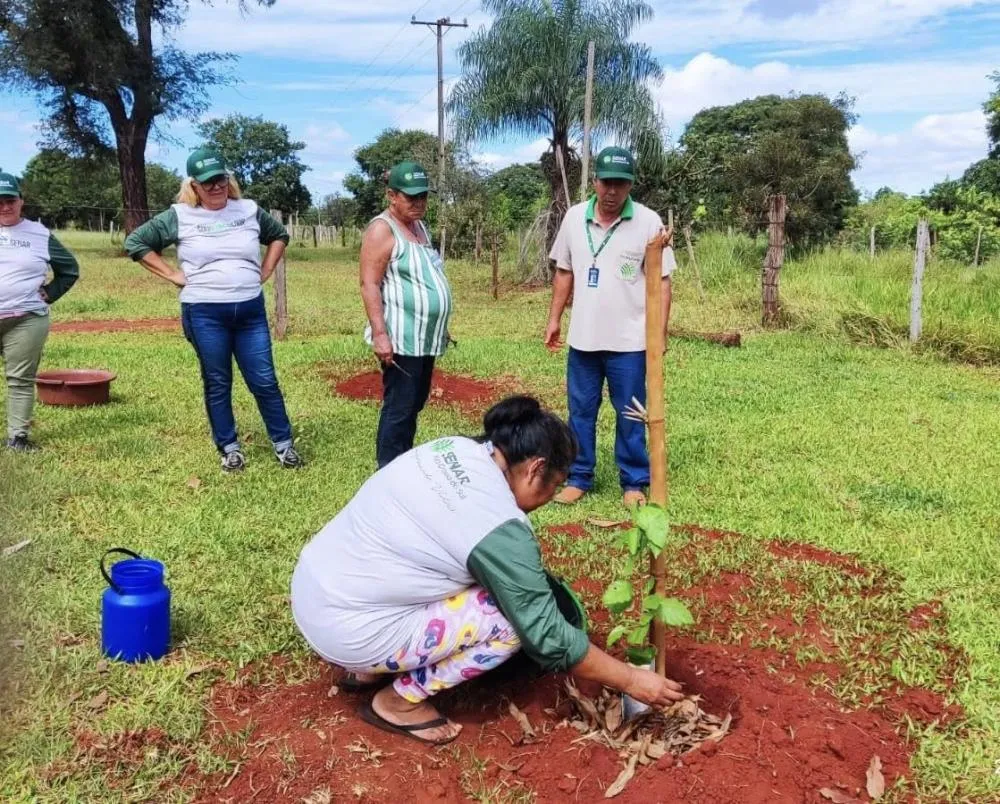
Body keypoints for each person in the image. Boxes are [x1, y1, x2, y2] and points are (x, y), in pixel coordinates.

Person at [290, 396, 684, 745]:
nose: (549, 499)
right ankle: (397, 702)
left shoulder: (456, 448)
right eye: (555, 485)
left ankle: (365, 672)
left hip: (315, 590)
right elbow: (546, 635)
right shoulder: (497, 524)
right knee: (511, 623)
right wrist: (634, 681)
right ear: (535, 468)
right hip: (352, 631)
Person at [124, 147, 302, 472]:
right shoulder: (179, 215)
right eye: (207, 183)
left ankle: (284, 444)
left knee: (264, 380)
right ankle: (229, 448)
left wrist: (264, 271)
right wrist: (173, 275)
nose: (216, 187)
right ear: (193, 186)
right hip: (204, 313)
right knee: (218, 381)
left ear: (228, 179)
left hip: (250, 311)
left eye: (220, 179)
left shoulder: (247, 210)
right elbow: (136, 243)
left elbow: (278, 235)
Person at [544, 146, 676, 508]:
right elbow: (564, 270)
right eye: (607, 183)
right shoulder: (573, 218)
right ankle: (579, 476)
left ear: (630, 185)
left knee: (630, 412)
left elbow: (662, 281)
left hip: (630, 341)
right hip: (583, 339)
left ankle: (634, 481)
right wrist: (554, 319)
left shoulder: (649, 222)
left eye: (621, 184)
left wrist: (659, 333)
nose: (613, 192)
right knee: (581, 411)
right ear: (595, 182)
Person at [359, 160, 453, 469]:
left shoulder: (418, 226)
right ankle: (387, 470)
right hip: (401, 338)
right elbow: (369, 284)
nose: (419, 202)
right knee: (399, 407)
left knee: (415, 402)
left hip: (424, 338)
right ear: (391, 195)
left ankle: (402, 464)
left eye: (423, 195)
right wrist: (380, 334)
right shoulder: (381, 230)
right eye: (411, 196)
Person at [0, 171, 79, 452]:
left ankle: (18, 438)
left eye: (10, 200)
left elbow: (69, 269)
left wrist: (52, 291)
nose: (5, 207)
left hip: (25, 319)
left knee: (20, 378)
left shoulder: (39, 233)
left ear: (21, 201)